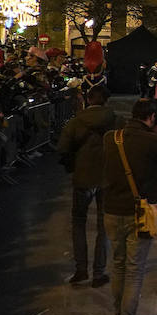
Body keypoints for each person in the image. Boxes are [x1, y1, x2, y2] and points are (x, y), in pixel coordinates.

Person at [100, 100, 157, 315]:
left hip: (111, 210)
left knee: (118, 264)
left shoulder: (110, 138)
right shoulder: (153, 142)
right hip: (139, 213)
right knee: (135, 269)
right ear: (152, 118)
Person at [55, 83, 118, 286]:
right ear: (106, 100)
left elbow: (63, 148)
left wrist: (73, 164)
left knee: (79, 223)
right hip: (107, 177)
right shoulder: (115, 120)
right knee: (103, 226)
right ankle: (99, 273)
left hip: (82, 178)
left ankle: (80, 269)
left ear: (88, 99)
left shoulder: (75, 122)